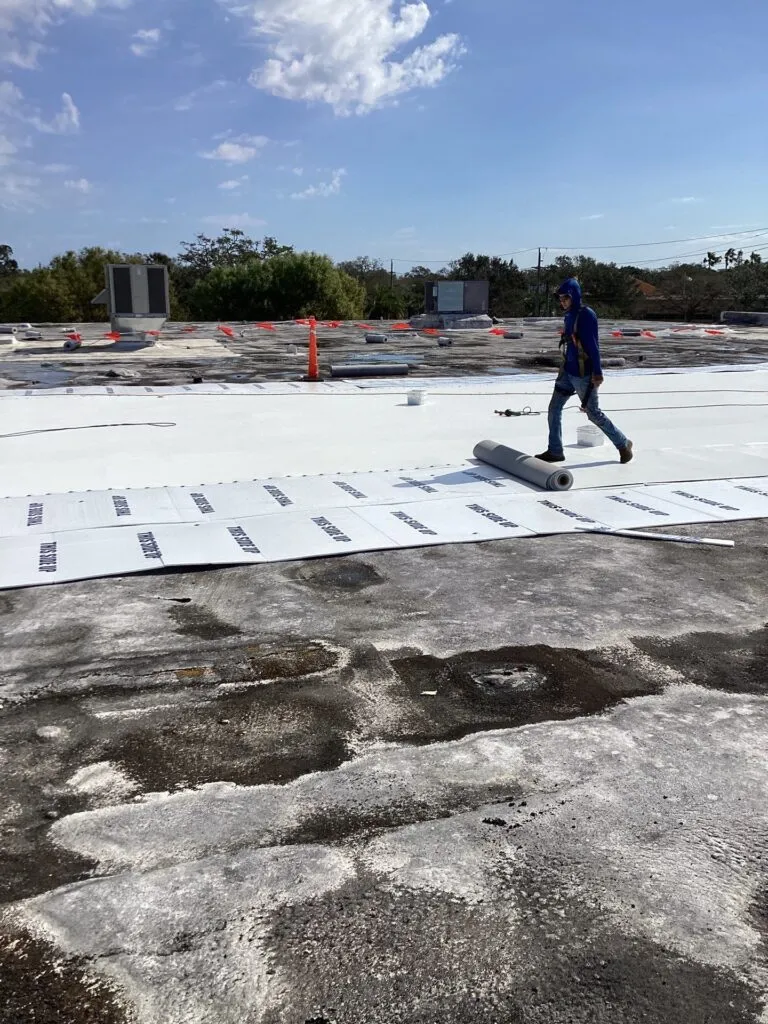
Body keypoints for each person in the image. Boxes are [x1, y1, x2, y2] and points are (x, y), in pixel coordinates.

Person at [537, 278, 633, 464]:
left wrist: (597, 373)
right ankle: (555, 450)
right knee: (554, 408)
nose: (562, 302)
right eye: (560, 298)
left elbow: (593, 345)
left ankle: (623, 444)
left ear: (574, 296)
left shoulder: (586, 315)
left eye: (565, 298)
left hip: (583, 373)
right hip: (568, 371)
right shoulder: (569, 316)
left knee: (593, 413)